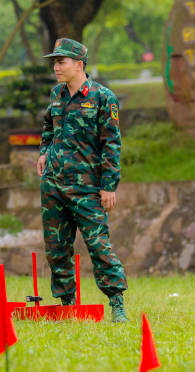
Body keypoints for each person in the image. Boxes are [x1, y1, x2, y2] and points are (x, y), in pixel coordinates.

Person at [38, 38, 129, 323]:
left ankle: (116, 303)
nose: (56, 67)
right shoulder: (56, 94)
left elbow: (111, 145)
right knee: (56, 248)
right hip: (53, 184)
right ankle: (67, 304)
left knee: (98, 245)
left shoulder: (103, 98)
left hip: (87, 187)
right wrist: (43, 152)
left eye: (61, 62)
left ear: (79, 65)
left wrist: (108, 186)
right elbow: (47, 127)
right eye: (54, 62)